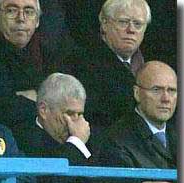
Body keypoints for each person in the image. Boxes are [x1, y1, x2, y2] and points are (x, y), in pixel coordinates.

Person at [15, 73, 109, 183]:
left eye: (80, 114)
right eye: (70, 114)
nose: (76, 122)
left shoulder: (91, 135)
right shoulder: (24, 139)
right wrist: (77, 143)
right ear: (43, 110)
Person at [95, 61, 177, 183]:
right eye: (156, 90)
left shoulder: (179, 133)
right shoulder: (116, 139)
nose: (166, 98)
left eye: (172, 90)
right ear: (137, 93)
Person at [61, 0, 152, 138]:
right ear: (104, 23)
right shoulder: (81, 63)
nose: (131, 30)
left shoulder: (153, 67)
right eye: (123, 22)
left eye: (138, 24)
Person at [0, 0, 70, 133]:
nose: (21, 18)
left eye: (29, 12)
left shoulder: (49, 52)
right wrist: (41, 99)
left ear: (37, 21)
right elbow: (3, 106)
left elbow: (62, 103)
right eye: (11, 11)